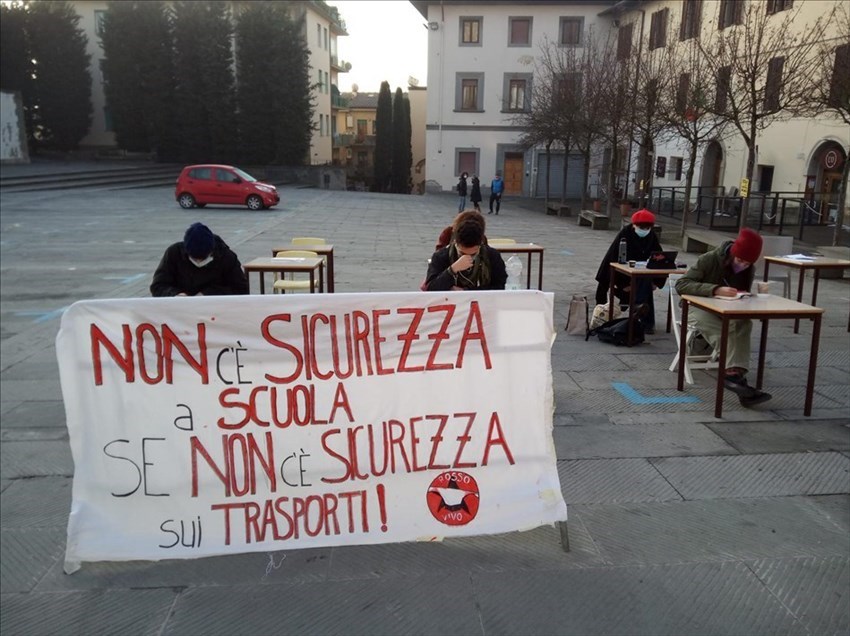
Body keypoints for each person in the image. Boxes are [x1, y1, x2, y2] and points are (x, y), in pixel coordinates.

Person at [675, 227, 771, 407]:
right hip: (696, 306)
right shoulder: (709, 259)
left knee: (743, 324)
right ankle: (735, 378)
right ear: (733, 253)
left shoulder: (748, 268)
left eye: (747, 263)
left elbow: (742, 291)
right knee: (724, 333)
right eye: (740, 260)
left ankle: (734, 377)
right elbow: (682, 284)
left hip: (725, 308)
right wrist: (715, 289)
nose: (743, 265)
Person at [594, 208, 665, 333]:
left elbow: (659, 257)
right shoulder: (624, 236)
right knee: (645, 283)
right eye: (641, 227)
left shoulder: (651, 236)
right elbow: (611, 261)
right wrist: (623, 284)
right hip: (623, 276)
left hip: (642, 275)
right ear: (634, 225)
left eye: (647, 228)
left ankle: (640, 311)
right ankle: (642, 315)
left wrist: (658, 281)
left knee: (646, 280)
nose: (644, 231)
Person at [150, 222, 249, 297]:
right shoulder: (174, 253)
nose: (198, 262)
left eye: (203, 258)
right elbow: (158, 286)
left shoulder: (226, 257)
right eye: (194, 258)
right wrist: (175, 295)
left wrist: (208, 294)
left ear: (211, 250)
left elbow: (241, 290)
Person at [425, 211, 507, 291]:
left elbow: (499, 286)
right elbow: (431, 288)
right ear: (456, 243)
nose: (467, 257)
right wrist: (452, 269)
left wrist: (466, 291)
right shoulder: (441, 256)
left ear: (480, 244)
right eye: (462, 253)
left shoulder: (491, 256)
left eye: (473, 254)